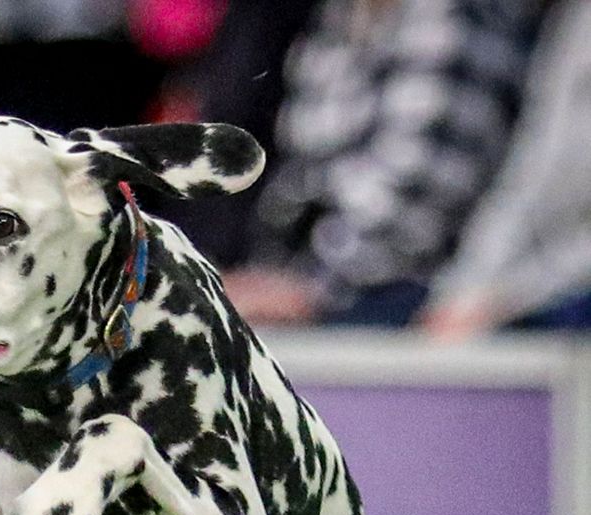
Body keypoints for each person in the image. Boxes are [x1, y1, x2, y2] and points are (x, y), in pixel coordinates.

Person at [223, 0, 541, 327]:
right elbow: (300, 177)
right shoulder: (342, 15)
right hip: (328, 284)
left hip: (410, 303)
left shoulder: (458, 17)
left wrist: (307, 287)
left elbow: (414, 206)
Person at [421, 0, 591, 337]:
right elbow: (526, 177)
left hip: (560, 293)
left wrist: (514, 297)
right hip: (534, 290)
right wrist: (463, 291)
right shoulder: (575, 22)